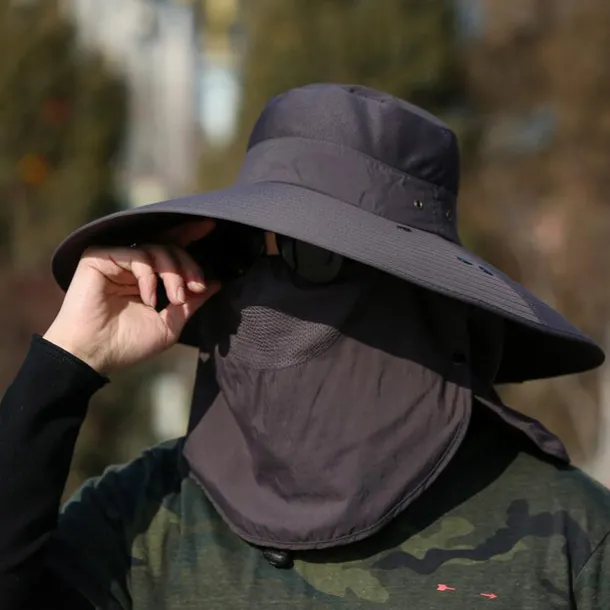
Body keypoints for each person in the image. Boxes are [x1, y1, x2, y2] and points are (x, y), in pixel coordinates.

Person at [0, 84, 609, 610]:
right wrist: (67, 360)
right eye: (237, 249)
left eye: (309, 253)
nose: (261, 284)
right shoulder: (143, 522)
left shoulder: (567, 539)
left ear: (414, 291)